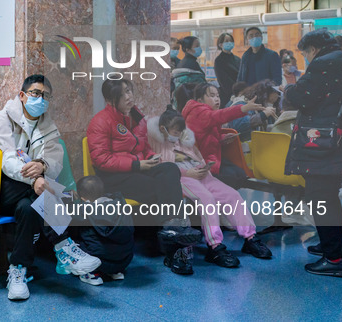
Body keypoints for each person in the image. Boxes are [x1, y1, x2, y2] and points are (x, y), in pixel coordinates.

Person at [0, 74, 101, 301]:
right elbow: (7, 161)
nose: (40, 98)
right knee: (44, 193)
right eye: (36, 93)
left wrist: (42, 165)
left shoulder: (48, 126)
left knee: (28, 207)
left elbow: (54, 159)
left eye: (46, 95)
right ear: (22, 95)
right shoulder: (2, 120)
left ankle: (17, 271)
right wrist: (35, 180)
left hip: (25, 194)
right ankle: (64, 246)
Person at [87, 79, 201, 276]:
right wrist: (136, 164)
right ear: (110, 98)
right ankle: (175, 238)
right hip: (113, 177)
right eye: (123, 94)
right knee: (159, 187)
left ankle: (170, 229)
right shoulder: (100, 121)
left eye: (130, 91)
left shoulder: (135, 116)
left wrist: (150, 157)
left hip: (138, 168)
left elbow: (143, 147)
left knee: (170, 170)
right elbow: (101, 160)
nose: (129, 97)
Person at [147, 106, 272, 269]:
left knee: (232, 195)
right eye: (175, 131)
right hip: (183, 178)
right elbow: (162, 167)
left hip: (202, 175)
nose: (177, 135)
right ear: (163, 129)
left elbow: (197, 156)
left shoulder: (186, 140)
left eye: (180, 131)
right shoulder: (156, 142)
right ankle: (215, 246)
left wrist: (204, 167)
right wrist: (187, 171)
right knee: (207, 199)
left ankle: (250, 238)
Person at [283, 29, 342, 276]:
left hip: (322, 143)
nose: (306, 58)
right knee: (329, 195)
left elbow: (299, 97)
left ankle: (335, 258)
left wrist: (288, 87)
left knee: (320, 198)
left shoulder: (323, 64)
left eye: (305, 53)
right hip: (335, 140)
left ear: (314, 48)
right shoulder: (339, 59)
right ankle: (333, 245)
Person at [182, 83, 265, 189]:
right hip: (201, 163)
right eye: (212, 96)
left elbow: (205, 136)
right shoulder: (198, 112)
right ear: (200, 100)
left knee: (239, 174)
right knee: (233, 177)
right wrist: (243, 108)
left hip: (212, 158)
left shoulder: (206, 112)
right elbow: (220, 116)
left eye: (217, 96)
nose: (217, 99)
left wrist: (222, 138)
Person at [72, 176, 134, 285]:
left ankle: (92, 274)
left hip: (99, 262)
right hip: (124, 260)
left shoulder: (84, 210)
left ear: (82, 197)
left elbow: (70, 215)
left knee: (74, 241)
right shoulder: (119, 203)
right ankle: (115, 272)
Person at [214, 33, 241, 108]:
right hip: (228, 96)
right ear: (220, 44)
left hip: (241, 93)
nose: (229, 42)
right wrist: (236, 92)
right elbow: (223, 81)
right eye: (226, 41)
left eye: (231, 41)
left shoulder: (237, 59)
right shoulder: (219, 61)